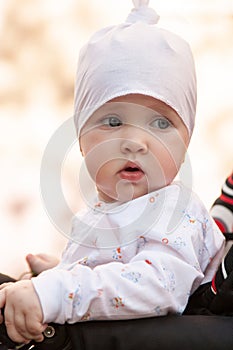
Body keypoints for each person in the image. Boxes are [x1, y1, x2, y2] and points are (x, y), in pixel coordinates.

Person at [0, 0, 227, 345]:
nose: (135, 142)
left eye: (161, 123)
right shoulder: (100, 212)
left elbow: (158, 287)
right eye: (112, 121)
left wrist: (56, 291)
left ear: (185, 146)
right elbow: (112, 279)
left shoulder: (175, 211)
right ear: (80, 141)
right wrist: (64, 273)